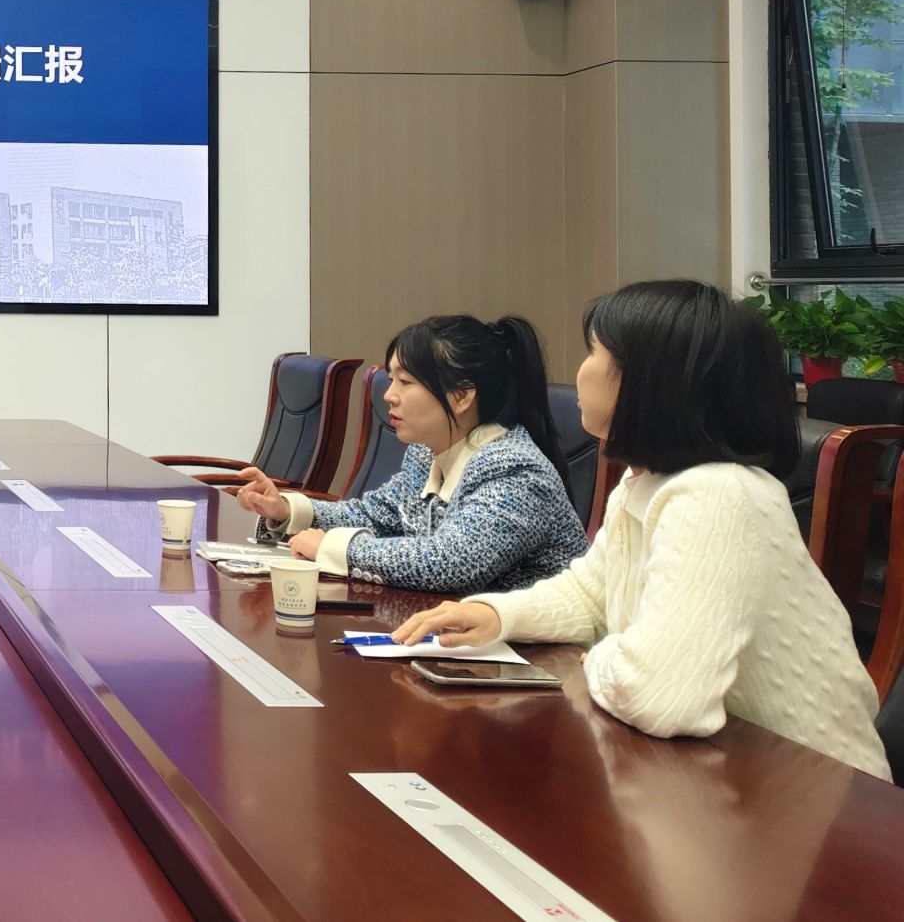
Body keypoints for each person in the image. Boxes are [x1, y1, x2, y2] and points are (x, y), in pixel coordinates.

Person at [395, 280, 888, 778]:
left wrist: (598, 657)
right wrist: (496, 614)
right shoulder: (644, 482)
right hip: (709, 773)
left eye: (593, 352)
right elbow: (591, 595)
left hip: (819, 797)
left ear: (649, 381)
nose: (580, 370)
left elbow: (660, 698)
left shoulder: (720, 495)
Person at [235, 315, 586, 592]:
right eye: (391, 379)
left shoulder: (516, 471)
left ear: (461, 396)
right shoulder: (426, 452)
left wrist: (333, 549)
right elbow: (377, 516)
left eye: (405, 382)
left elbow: (450, 562)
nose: (389, 395)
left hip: (538, 656)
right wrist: (288, 510)